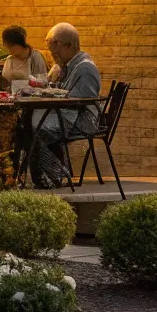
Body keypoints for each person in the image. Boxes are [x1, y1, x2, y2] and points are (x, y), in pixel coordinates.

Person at [29, 22, 102, 188]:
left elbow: (79, 102)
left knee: (35, 128)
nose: (54, 56)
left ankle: (52, 175)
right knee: (25, 123)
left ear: (69, 46)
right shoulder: (65, 65)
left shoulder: (85, 68)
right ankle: (49, 174)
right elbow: (54, 88)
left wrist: (52, 93)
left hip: (81, 121)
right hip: (67, 114)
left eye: (56, 53)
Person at [0, 25, 47, 92]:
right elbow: (4, 81)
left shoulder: (35, 57)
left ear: (19, 43)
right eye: (7, 46)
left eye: (11, 46)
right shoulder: (10, 59)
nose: (9, 49)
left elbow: (42, 83)